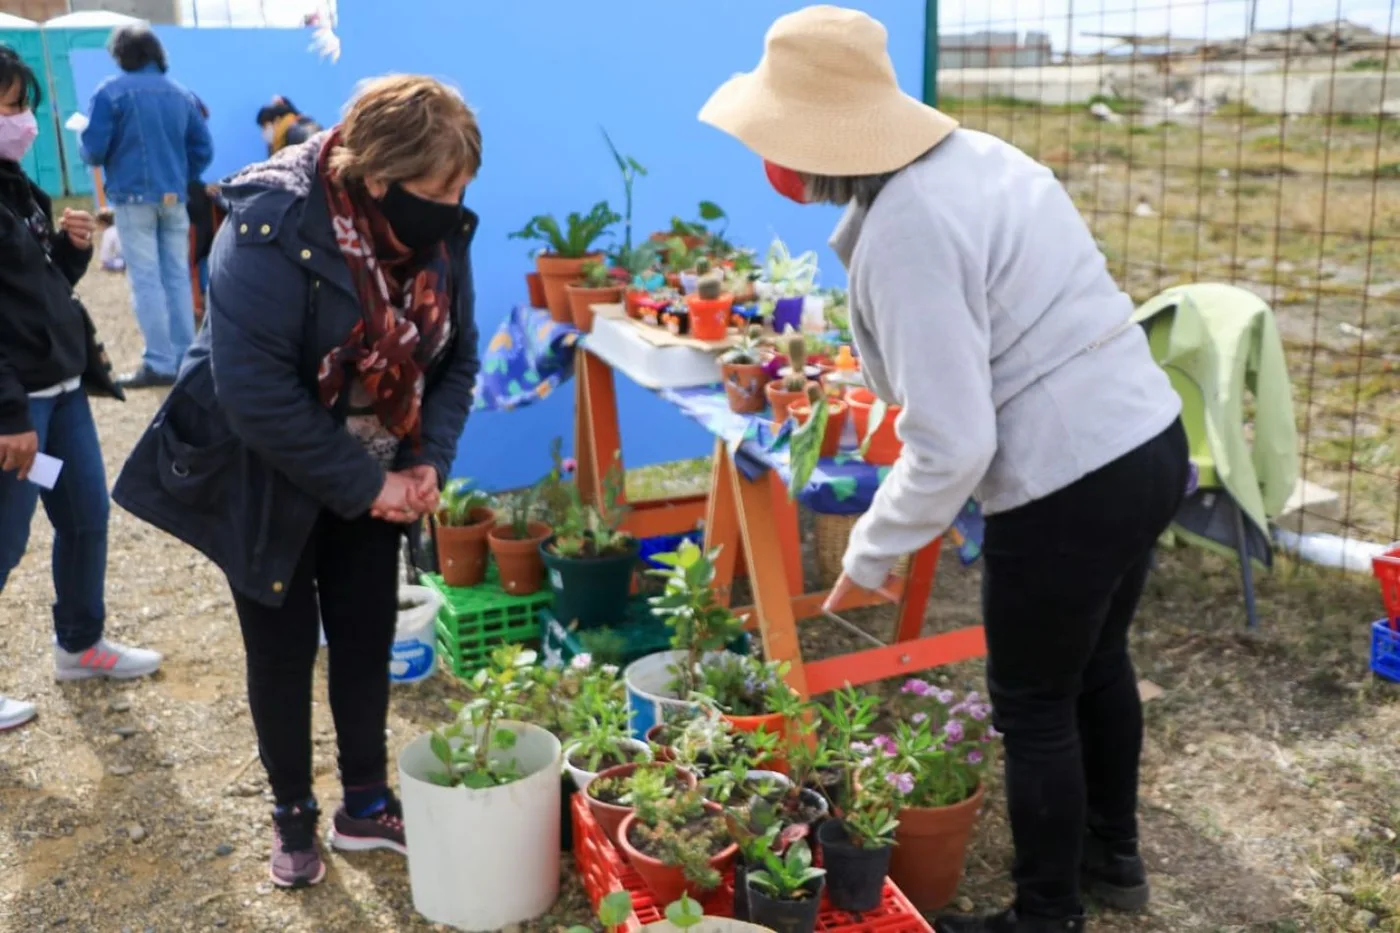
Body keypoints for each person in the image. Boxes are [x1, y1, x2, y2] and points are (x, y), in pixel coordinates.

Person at [700, 8, 1188, 933]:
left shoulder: (908, 228)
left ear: (811, 138)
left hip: (1068, 476)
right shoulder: (978, 159)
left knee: (1034, 700)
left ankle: (1047, 915)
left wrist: (870, 552)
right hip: (1145, 440)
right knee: (1094, 663)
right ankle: (1110, 855)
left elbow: (954, 440)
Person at [113, 74, 481, 889]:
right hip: (266, 468)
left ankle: (363, 801)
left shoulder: (437, 234)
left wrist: (426, 463)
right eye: (439, 189)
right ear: (378, 176)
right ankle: (291, 815)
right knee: (279, 647)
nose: (455, 206)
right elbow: (254, 394)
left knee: (364, 630)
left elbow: (456, 358)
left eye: (463, 188)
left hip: (374, 465)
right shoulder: (266, 223)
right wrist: (368, 483)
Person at [0, 46, 162, 732]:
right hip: (19, 409)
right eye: (9, 107)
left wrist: (69, 252)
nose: (23, 119)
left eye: (22, 104)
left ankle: (80, 642)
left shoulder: (17, 186)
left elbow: (35, 294)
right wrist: (9, 413)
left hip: (62, 394)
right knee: (4, 542)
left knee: (86, 514)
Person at [80, 24, 212, 389]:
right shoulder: (183, 94)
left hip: (132, 198)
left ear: (122, 55)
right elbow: (203, 149)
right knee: (177, 276)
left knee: (146, 279)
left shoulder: (110, 93)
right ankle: (187, 357)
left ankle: (159, 362)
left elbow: (93, 150)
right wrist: (180, 177)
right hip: (175, 198)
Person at [256, 96, 321, 156]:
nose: (264, 132)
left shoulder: (298, 132)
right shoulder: (275, 149)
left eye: (265, 127)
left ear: (277, 121)